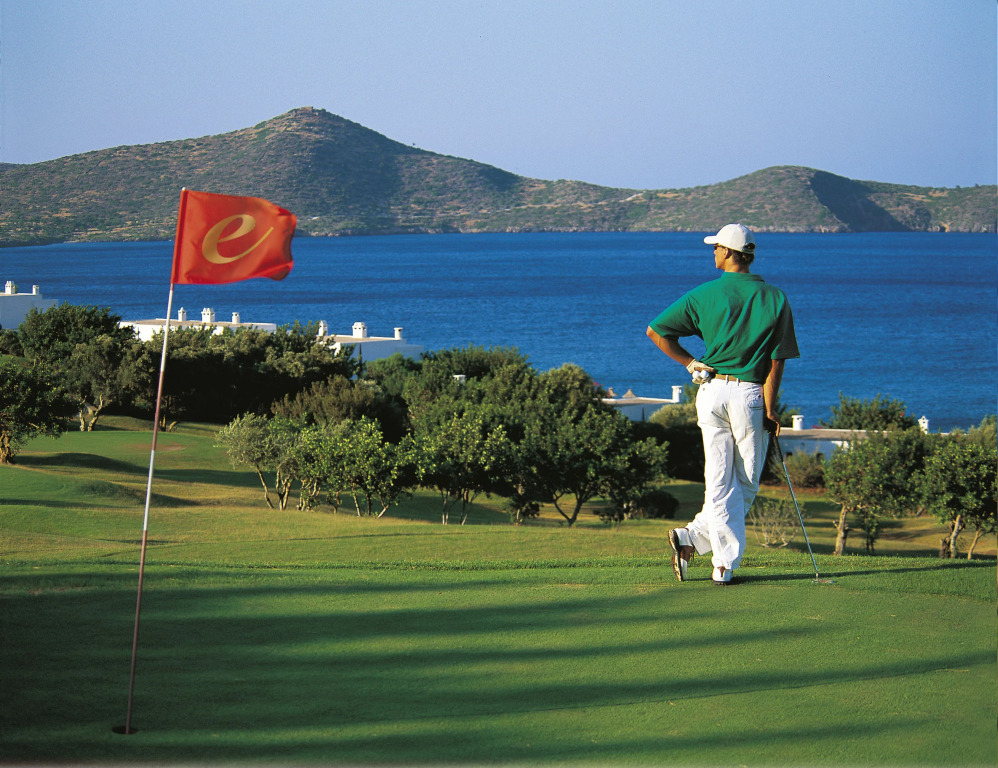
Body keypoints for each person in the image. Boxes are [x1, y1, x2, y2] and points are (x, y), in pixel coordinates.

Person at [646, 223, 799, 585]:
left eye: (716, 247)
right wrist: (771, 408)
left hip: (712, 392)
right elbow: (777, 360)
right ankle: (723, 564)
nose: (713, 252)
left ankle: (692, 537)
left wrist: (690, 363)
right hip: (749, 396)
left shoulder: (705, 294)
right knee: (744, 483)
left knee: (721, 482)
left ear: (729, 252)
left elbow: (657, 331)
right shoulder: (775, 298)